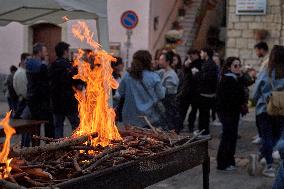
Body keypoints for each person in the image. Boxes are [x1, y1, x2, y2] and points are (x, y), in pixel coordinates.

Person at [250, 45, 284, 177]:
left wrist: (255, 100)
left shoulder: (266, 72)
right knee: (276, 137)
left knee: (267, 137)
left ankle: (263, 159)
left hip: (264, 109)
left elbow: (256, 92)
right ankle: (267, 163)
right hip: (281, 110)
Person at [118, 50, 166, 127]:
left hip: (129, 118)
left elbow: (121, 92)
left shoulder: (127, 76)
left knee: (131, 138)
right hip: (148, 118)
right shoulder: (154, 77)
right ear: (148, 61)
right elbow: (161, 95)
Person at [216, 57, 246, 171]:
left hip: (232, 113)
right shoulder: (228, 80)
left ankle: (229, 161)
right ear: (229, 67)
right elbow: (234, 98)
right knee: (228, 137)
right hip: (228, 113)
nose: (238, 68)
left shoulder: (234, 78)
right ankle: (223, 163)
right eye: (235, 66)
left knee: (231, 137)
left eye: (239, 65)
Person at [48, 42, 81, 139]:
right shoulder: (70, 66)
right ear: (65, 52)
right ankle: (77, 145)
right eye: (68, 51)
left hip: (56, 102)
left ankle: (59, 148)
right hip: (69, 101)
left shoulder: (52, 66)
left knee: (58, 127)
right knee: (76, 126)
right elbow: (77, 82)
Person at [26, 43, 54, 142]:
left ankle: (35, 148)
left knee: (35, 127)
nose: (46, 53)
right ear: (39, 52)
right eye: (45, 51)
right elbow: (45, 84)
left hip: (31, 99)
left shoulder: (28, 63)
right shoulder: (41, 66)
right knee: (49, 126)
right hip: (42, 101)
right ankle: (50, 147)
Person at [194, 47, 218, 138]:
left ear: (206, 53)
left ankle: (204, 132)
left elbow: (206, 78)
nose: (200, 54)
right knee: (203, 114)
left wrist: (196, 73)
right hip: (206, 93)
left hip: (206, 94)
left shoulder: (210, 64)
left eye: (201, 52)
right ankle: (202, 130)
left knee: (204, 114)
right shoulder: (208, 63)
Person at [176, 49, 202, 132]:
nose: (190, 57)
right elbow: (184, 73)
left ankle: (191, 125)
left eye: (191, 55)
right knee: (183, 109)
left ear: (196, 55)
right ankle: (179, 125)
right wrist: (186, 66)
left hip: (195, 90)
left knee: (193, 110)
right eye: (189, 55)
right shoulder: (187, 61)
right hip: (186, 89)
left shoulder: (200, 63)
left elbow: (197, 75)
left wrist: (189, 67)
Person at [158, 51, 180, 132]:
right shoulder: (163, 71)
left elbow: (168, 92)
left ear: (167, 62)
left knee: (169, 129)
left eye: (161, 60)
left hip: (169, 106)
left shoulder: (171, 75)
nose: (159, 61)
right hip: (165, 105)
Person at [252, 41, 270, 144]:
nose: (256, 53)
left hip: (264, 94)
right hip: (263, 93)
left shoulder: (267, 61)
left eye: (257, 50)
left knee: (261, 116)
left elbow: (263, 78)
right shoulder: (265, 60)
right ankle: (260, 134)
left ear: (261, 49)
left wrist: (256, 75)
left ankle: (262, 136)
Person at [13, 53, 31, 119]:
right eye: (28, 60)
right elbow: (23, 91)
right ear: (23, 60)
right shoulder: (21, 73)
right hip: (24, 103)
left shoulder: (24, 71)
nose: (30, 62)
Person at [111, 57, 124, 122]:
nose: (123, 65)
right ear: (116, 65)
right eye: (121, 63)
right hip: (113, 105)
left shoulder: (119, 75)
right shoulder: (112, 77)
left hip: (117, 105)